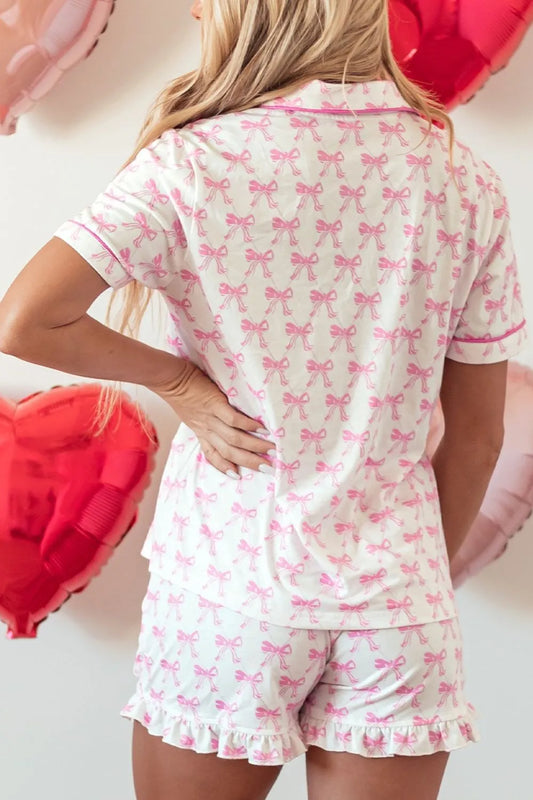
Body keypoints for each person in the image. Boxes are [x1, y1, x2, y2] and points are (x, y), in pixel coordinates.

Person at [0, 1, 529, 798]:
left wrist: (180, 381)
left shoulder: (191, 162)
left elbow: (26, 319)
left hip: (229, 591)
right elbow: (478, 440)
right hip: (394, 603)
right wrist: (415, 579)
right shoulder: (464, 182)